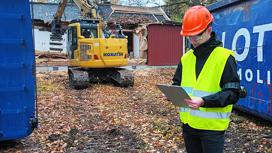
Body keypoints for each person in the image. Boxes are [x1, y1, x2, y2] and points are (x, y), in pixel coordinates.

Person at [163, 5, 241, 153]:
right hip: (188, 126)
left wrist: (204, 101)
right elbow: (177, 84)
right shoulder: (186, 59)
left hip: (211, 130)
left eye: (197, 35)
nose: (193, 40)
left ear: (209, 31)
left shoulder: (224, 57)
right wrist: (171, 93)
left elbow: (233, 93)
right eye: (189, 36)